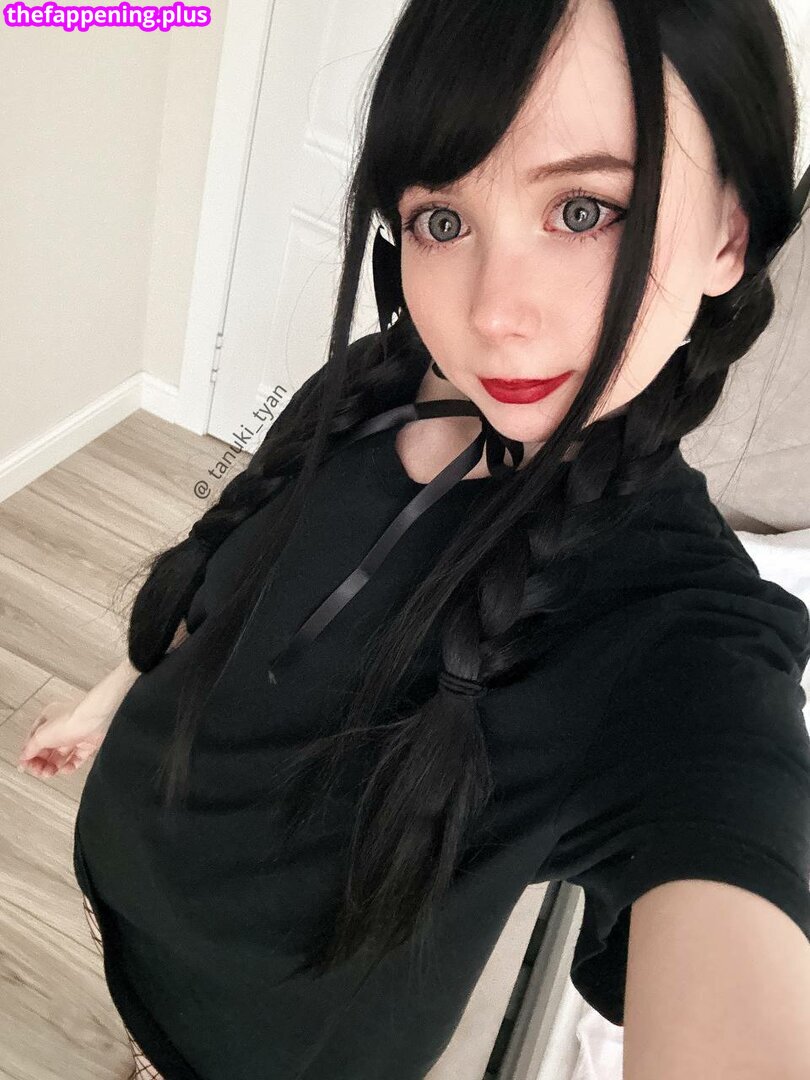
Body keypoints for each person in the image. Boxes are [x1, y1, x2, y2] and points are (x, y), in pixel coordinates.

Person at [18, 0, 810, 1077]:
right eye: (442, 220)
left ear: (730, 233)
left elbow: (734, 838)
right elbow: (226, 574)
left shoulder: (681, 634)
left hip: (271, 1045)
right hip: (119, 876)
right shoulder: (365, 383)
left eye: (584, 209)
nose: (493, 314)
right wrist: (110, 694)